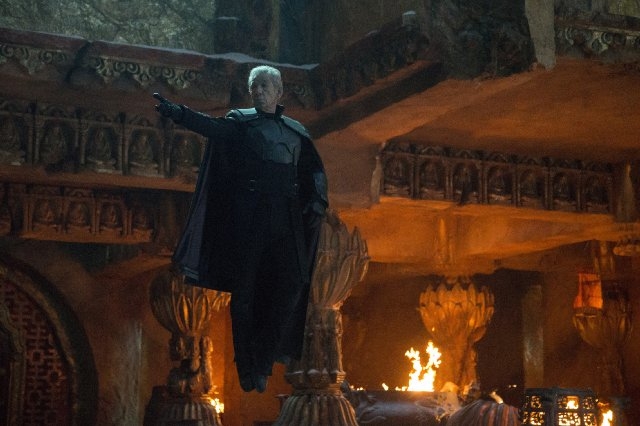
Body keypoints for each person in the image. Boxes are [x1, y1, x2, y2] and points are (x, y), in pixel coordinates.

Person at [153, 65, 328, 393]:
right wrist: (178, 113)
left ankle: (263, 358)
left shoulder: (296, 132)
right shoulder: (241, 123)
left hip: (286, 218)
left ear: (278, 91)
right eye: (253, 87)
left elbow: (313, 171)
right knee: (244, 291)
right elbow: (211, 128)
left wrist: (318, 198)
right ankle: (249, 367)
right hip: (250, 218)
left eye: (264, 86)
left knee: (293, 282)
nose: (257, 91)